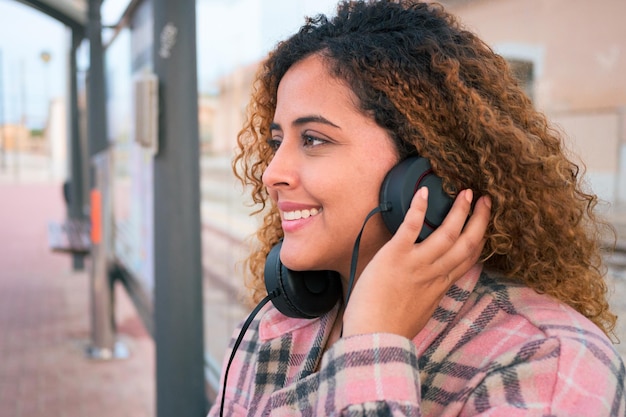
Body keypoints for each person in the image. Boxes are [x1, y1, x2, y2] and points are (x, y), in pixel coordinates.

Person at [208, 1, 626, 416]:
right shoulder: (278, 325)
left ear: (424, 174)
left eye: (314, 139)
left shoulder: (547, 362)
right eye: (277, 142)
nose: (271, 174)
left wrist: (373, 342)